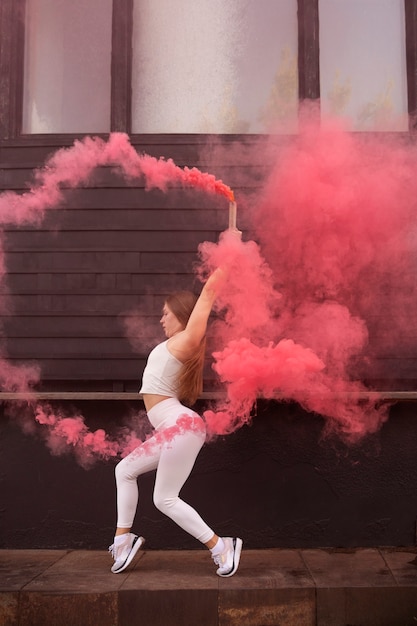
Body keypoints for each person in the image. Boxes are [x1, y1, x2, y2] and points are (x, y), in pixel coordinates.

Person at [108, 265, 243, 576]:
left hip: (180, 426)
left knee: (164, 498)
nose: (161, 319)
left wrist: (228, 257)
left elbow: (208, 293)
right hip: (174, 427)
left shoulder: (185, 340)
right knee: (124, 470)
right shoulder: (173, 346)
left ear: (183, 317)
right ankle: (122, 540)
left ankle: (221, 547)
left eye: (166, 314)